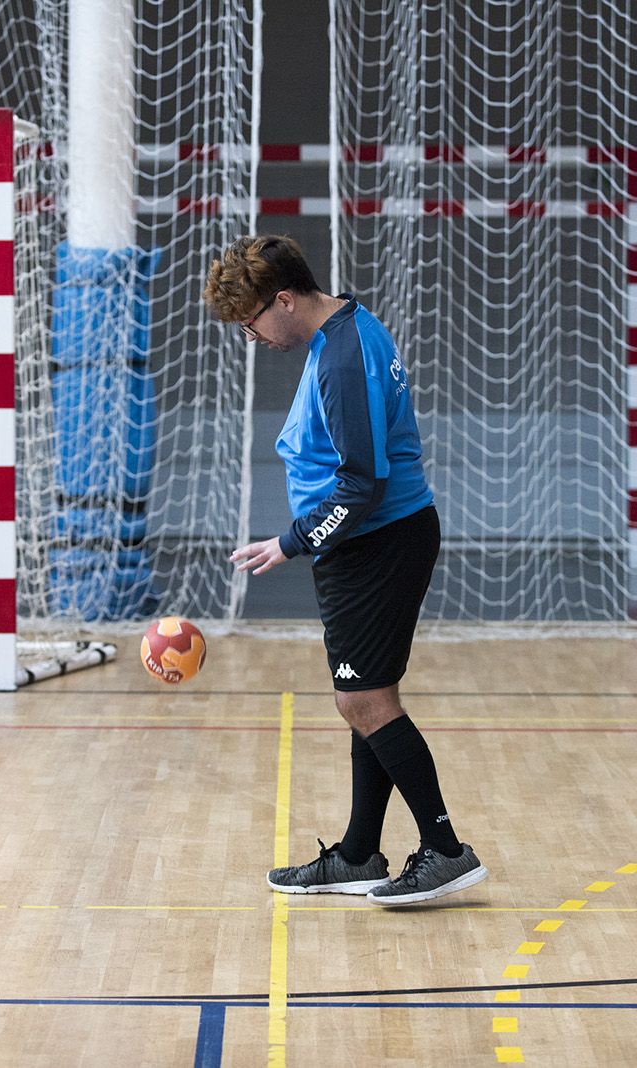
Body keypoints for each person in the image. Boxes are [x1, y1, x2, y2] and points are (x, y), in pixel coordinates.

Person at [202, 234, 487, 906]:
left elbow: (362, 484)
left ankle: (445, 849)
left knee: (363, 700)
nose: (253, 336)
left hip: (378, 542)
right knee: (367, 699)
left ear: (286, 299)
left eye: (252, 322)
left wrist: (292, 541)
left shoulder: (343, 361)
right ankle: (359, 855)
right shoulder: (344, 334)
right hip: (367, 543)